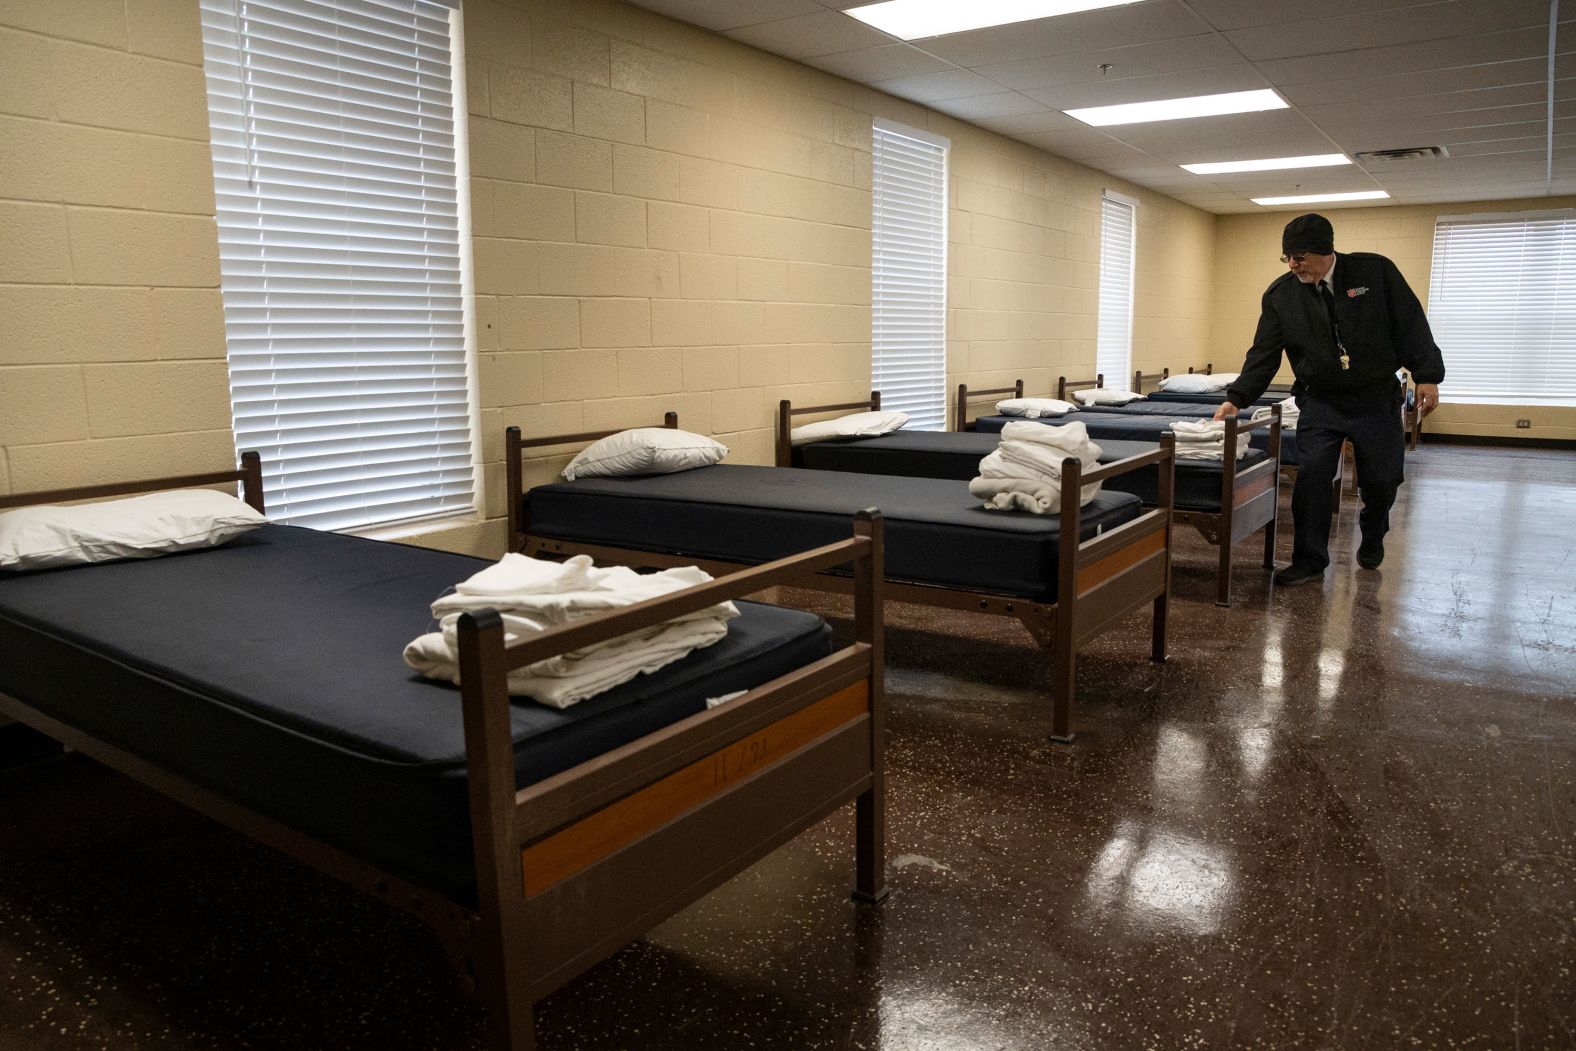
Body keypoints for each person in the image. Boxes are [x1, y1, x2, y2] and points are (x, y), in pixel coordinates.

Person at [1213, 213, 1444, 587]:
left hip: (1375, 398)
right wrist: (1237, 398)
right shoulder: (1281, 295)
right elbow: (1264, 353)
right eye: (1287, 257)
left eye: (1300, 256)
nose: (1293, 265)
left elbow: (1411, 323)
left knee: (1382, 481)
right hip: (1320, 401)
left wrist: (1428, 376)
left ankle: (1372, 534)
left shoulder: (1375, 273)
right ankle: (1309, 560)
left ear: (1325, 249)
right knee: (1313, 480)